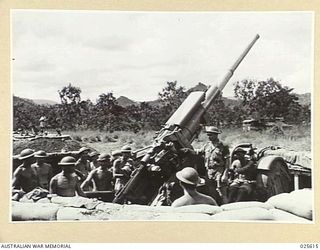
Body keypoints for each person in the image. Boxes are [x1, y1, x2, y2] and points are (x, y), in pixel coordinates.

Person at [197, 126, 230, 204]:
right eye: (208, 135)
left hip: (219, 172)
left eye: (211, 135)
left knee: (222, 194)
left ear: (216, 135)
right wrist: (187, 150)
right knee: (212, 193)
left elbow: (228, 161)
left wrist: (225, 174)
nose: (209, 137)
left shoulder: (223, 146)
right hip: (209, 172)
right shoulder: (207, 145)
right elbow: (198, 152)